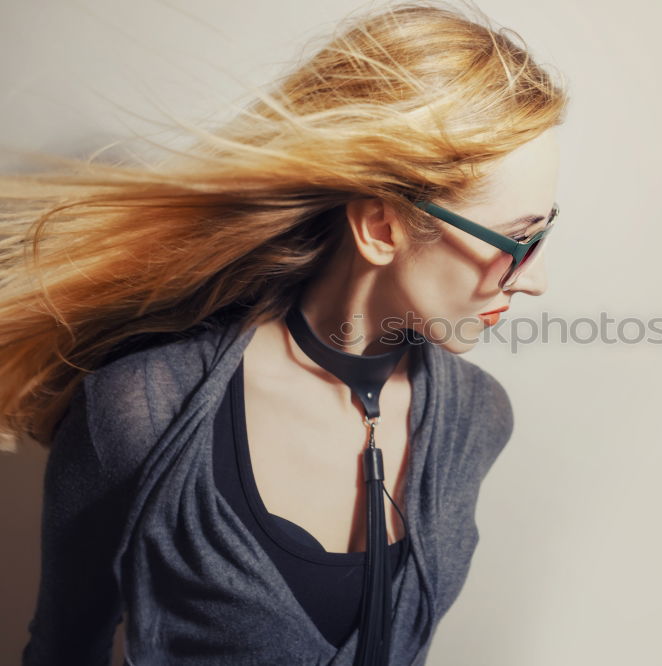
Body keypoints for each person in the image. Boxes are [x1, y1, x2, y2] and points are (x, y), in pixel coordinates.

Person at [0, 1, 568, 664]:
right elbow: (65, 649)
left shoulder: (477, 416)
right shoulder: (139, 413)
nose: (537, 281)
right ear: (380, 228)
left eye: (544, 231)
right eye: (520, 240)